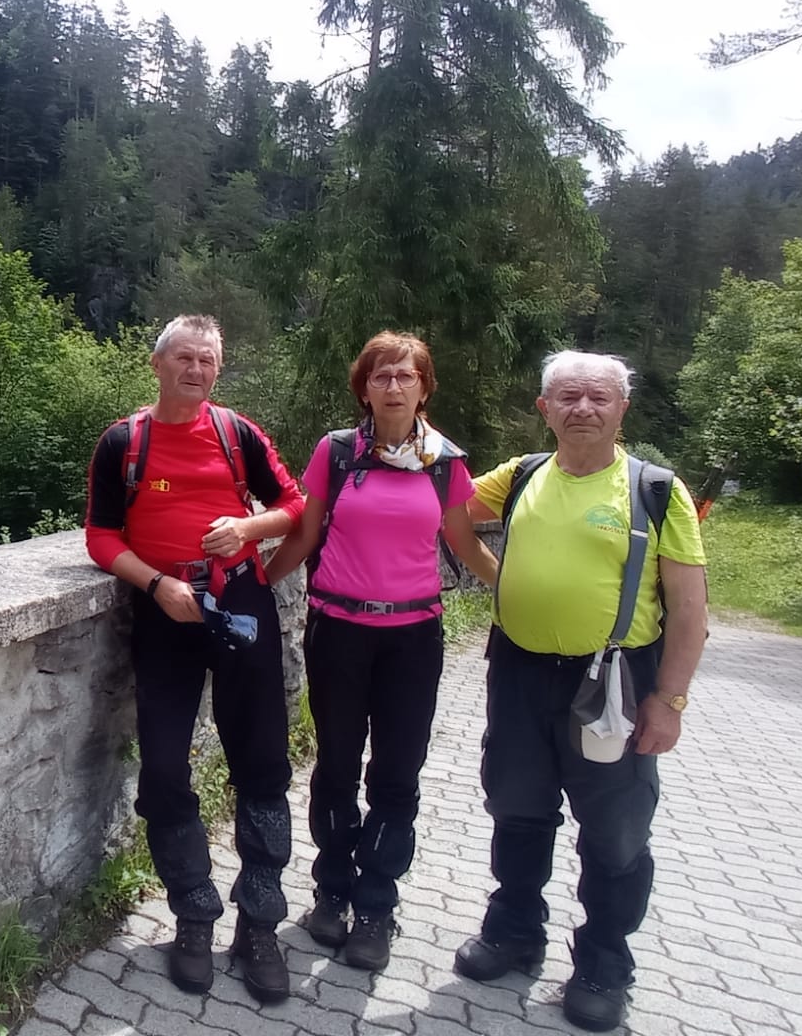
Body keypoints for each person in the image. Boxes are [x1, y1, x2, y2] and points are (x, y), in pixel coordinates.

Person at [454, 351, 708, 1033]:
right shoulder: (521, 474)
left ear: (623, 409)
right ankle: (514, 931)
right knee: (516, 807)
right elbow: (446, 508)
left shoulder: (656, 490)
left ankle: (603, 962)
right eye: (567, 397)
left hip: (616, 681)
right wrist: (496, 574)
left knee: (615, 830)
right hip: (518, 671)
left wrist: (669, 701)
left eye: (599, 397)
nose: (583, 409)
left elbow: (690, 610)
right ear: (545, 409)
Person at [84, 314, 307, 1004]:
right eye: (185, 357)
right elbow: (100, 537)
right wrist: (156, 584)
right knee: (162, 763)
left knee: (263, 762)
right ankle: (193, 914)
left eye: (208, 360)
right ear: (157, 364)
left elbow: (294, 505)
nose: (197, 370)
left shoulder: (237, 433)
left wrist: (246, 526)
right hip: (166, 610)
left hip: (240, 602)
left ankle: (260, 924)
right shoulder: (125, 442)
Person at [263, 331, 498, 972]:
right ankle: (331, 891)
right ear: (363, 389)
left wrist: (515, 591)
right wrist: (255, 586)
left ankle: (375, 905)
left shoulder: (445, 463)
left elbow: (465, 542)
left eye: (405, 376)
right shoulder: (337, 452)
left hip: (413, 640)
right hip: (338, 631)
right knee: (337, 765)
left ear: (424, 388)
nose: (393, 386)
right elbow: (305, 534)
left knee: (397, 772)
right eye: (381, 376)